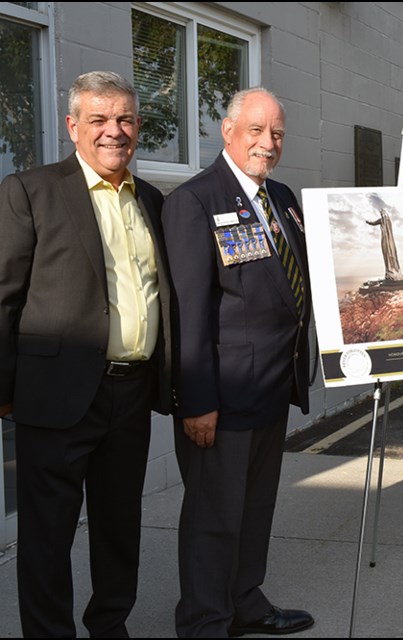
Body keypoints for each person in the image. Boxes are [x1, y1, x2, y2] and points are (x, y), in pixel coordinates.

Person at [0, 70, 171, 637]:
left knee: (119, 526)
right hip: (56, 395)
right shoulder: (30, 191)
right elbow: (3, 296)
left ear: (138, 126)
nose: (113, 131)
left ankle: (110, 626)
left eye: (124, 119)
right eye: (98, 120)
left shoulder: (150, 198)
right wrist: (5, 391)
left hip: (131, 392)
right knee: (48, 534)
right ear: (73, 127)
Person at [161, 87, 314, 637]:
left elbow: (307, 274)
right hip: (220, 399)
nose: (267, 143)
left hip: (272, 390)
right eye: (255, 130)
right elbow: (188, 312)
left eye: (276, 133)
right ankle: (205, 621)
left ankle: (245, 603)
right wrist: (196, 401)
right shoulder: (195, 201)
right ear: (227, 132)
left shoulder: (283, 198)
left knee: (253, 513)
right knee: (212, 519)